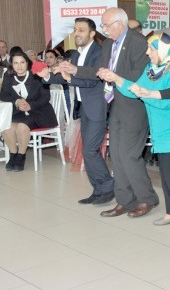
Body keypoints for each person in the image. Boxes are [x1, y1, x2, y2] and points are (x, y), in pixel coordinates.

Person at [59, 7, 159, 218]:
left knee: (129, 156)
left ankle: (147, 198)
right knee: (117, 156)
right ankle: (124, 200)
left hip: (134, 107)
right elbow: (99, 72)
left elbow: (141, 75)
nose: (103, 29)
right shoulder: (109, 45)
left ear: (119, 24)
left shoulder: (138, 43)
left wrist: (114, 75)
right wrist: (75, 70)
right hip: (114, 107)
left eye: (105, 25)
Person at [98, 32, 170, 224]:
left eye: (152, 49)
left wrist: (147, 94)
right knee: (167, 174)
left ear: (164, 50)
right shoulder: (152, 69)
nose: (147, 53)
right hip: (160, 131)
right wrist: (116, 78)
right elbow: (136, 88)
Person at [40, 18, 115, 206]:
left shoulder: (99, 53)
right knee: (89, 151)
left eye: (81, 30)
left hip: (97, 107)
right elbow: (66, 78)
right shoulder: (75, 54)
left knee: (90, 150)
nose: (77, 33)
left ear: (92, 33)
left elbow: (92, 80)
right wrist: (48, 76)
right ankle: (98, 190)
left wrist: (70, 77)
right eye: (75, 30)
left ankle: (107, 187)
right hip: (83, 107)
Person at [0, 51, 57, 171]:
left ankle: (21, 156)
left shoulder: (37, 75)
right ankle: (13, 155)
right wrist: (16, 101)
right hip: (19, 112)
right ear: (12, 65)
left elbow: (45, 97)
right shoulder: (8, 76)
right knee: (6, 127)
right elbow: (3, 95)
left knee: (22, 127)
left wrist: (30, 105)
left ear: (27, 63)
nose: (19, 66)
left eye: (22, 62)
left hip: (39, 112)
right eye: (15, 63)